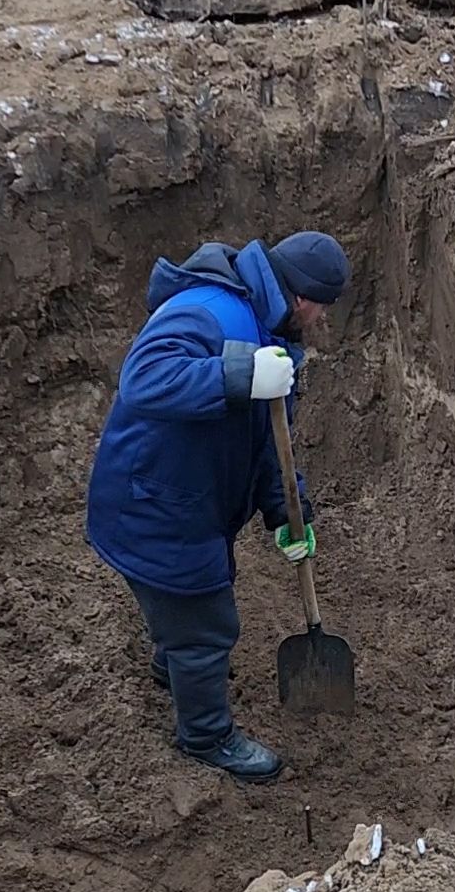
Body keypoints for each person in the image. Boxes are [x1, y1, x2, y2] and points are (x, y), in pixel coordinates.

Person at [85, 230, 349, 781]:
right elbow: (144, 378)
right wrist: (242, 375)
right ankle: (206, 736)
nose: (322, 320)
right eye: (322, 308)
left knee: (187, 616)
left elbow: (266, 440)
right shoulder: (208, 310)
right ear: (302, 298)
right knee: (208, 622)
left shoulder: (265, 328)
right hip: (152, 505)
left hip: (186, 497)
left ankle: (176, 662)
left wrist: (286, 508)